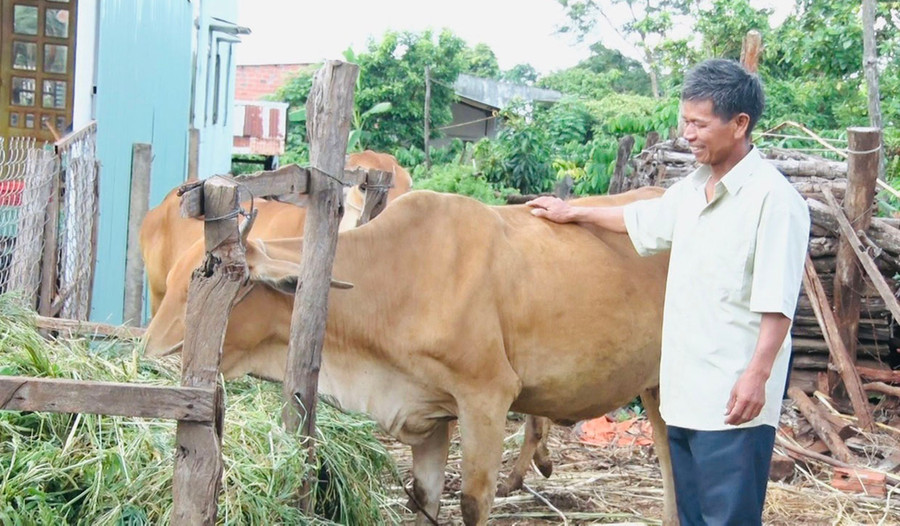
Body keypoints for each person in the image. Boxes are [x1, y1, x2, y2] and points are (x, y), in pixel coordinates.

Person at [528, 58, 810, 525]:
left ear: (740, 124)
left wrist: (756, 376)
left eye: (700, 124)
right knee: (692, 517)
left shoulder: (774, 200)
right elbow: (639, 221)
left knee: (729, 519)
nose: (688, 134)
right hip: (684, 393)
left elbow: (778, 302)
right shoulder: (693, 188)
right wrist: (572, 212)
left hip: (731, 400)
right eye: (685, 121)